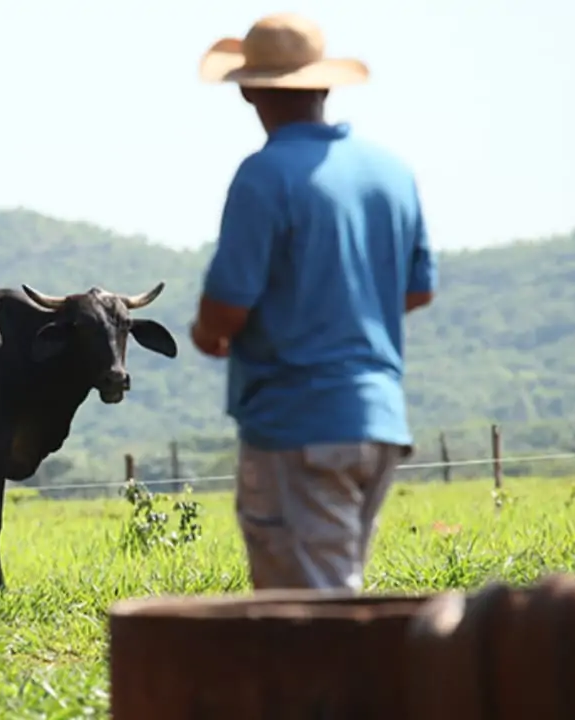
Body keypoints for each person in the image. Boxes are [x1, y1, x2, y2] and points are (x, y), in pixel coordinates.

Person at [188, 13, 437, 594]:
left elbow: (225, 312)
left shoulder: (263, 176)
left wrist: (207, 334)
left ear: (248, 89)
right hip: (378, 419)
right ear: (324, 84)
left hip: (298, 426)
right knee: (334, 590)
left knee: (310, 616)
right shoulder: (391, 172)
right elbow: (419, 288)